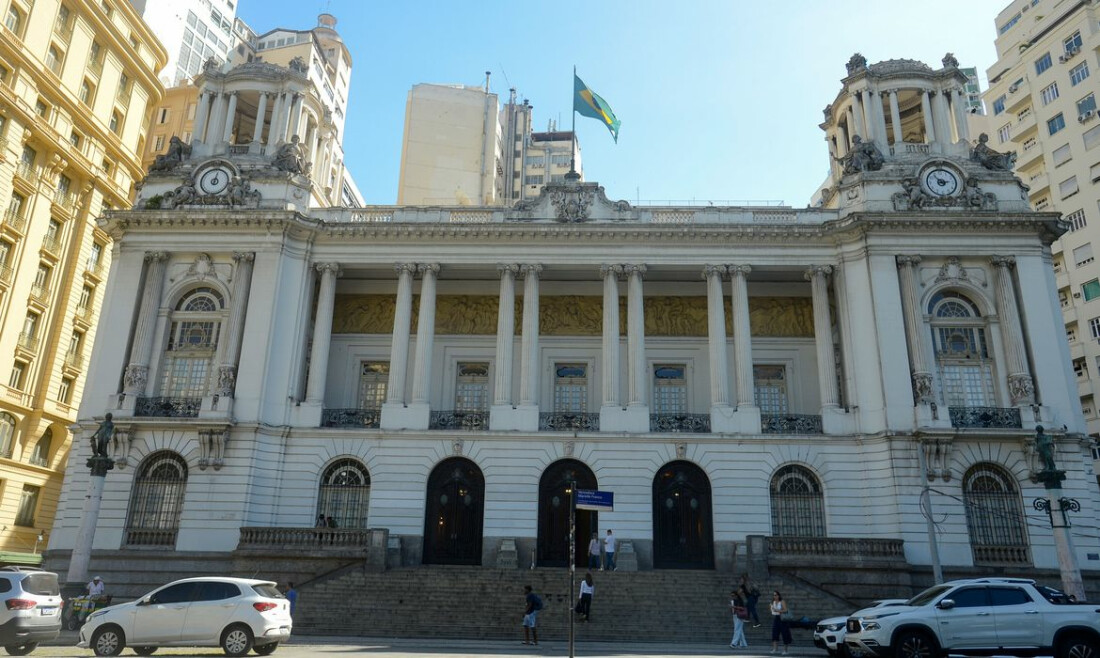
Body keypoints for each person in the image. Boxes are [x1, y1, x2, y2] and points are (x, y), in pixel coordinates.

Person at [770, 590, 792, 655]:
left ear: (779, 595)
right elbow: (773, 612)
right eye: (774, 595)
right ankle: (775, 649)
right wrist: (772, 609)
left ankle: (785, 650)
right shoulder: (773, 602)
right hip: (776, 618)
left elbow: (785, 610)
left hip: (782, 619)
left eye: (776, 595)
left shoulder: (782, 601)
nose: (775, 596)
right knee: (774, 633)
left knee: (784, 634)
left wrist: (777, 610)